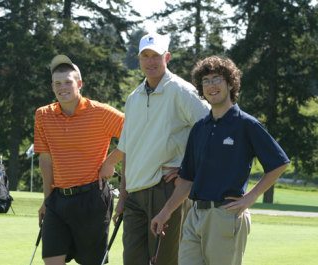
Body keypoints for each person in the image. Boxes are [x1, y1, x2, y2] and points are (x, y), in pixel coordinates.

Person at [151, 55, 290, 265]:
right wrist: (165, 213)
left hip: (226, 215)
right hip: (195, 215)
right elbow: (187, 180)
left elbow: (279, 163)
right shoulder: (199, 128)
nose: (211, 85)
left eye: (217, 78)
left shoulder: (246, 124)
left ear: (230, 83)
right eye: (205, 81)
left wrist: (250, 198)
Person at [113, 32, 210, 265]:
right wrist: (123, 194)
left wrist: (190, 169)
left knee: (165, 261)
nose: (150, 61)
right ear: (139, 60)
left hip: (166, 191)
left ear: (167, 57)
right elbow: (128, 149)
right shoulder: (133, 97)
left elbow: (212, 126)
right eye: (145, 56)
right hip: (135, 195)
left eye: (155, 55)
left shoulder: (181, 90)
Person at [34, 54, 124, 265]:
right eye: (57, 83)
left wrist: (111, 161)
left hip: (92, 198)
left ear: (80, 84)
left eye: (68, 82)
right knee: (52, 260)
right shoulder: (43, 115)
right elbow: (45, 160)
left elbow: (136, 133)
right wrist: (47, 200)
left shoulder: (100, 112)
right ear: (52, 86)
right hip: (57, 200)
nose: (62, 87)